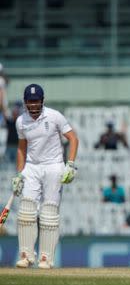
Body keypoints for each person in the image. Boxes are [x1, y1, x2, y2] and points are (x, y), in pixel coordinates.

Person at [11, 83, 79, 269]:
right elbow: (21, 148)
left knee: (49, 213)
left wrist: (70, 165)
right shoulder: (21, 121)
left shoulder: (54, 116)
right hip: (32, 167)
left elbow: (73, 138)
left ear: (42, 101)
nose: (33, 105)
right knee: (26, 211)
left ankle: (46, 258)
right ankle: (26, 255)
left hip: (53, 166)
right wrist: (19, 173)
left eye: (36, 101)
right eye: (29, 101)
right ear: (25, 102)